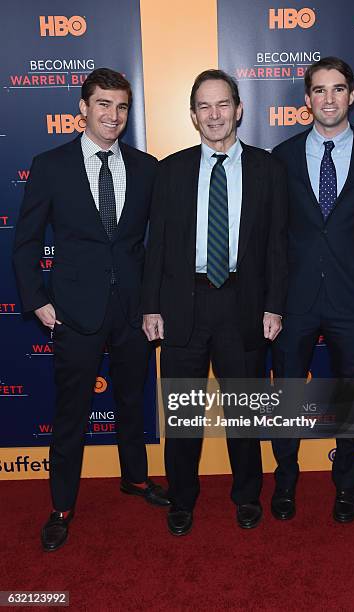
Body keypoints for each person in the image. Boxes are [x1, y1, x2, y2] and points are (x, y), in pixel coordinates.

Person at [13, 67, 170, 552]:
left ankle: (135, 479)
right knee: (71, 414)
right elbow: (25, 243)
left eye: (121, 107)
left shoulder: (147, 167)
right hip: (73, 313)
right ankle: (61, 506)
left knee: (131, 402)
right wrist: (37, 300)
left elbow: (157, 246)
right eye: (103, 104)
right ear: (83, 108)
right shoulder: (50, 164)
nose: (113, 115)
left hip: (131, 313)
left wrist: (152, 305)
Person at [141, 69, 288, 536]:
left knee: (244, 411)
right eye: (204, 106)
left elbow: (277, 247)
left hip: (244, 303)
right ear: (192, 115)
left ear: (239, 109)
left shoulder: (268, 168)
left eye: (222, 104)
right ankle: (181, 497)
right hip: (184, 304)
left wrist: (275, 306)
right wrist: (151, 307)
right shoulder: (172, 169)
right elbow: (156, 246)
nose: (214, 114)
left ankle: (247, 495)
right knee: (184, 412)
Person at [270, 57, 354, 523]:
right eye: (319, 91)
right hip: (293, 303)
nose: (329, 98)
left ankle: (346, 486)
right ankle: (285, 483)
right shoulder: (280, 158)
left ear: (352, 96)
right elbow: (273, 237)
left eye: (338, 89)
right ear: (306, 100)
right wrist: (272, 300)